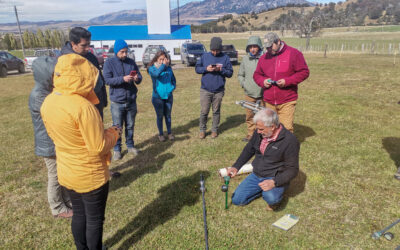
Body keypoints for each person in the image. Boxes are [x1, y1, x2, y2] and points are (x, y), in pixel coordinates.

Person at [41, 53, 121, 250]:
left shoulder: (49, 101)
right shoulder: (83, 107)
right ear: (83, 78)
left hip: (67, 170)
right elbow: (98, 146)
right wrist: (114, 133)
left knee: (79, 213)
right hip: (90, 174)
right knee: (94, 219)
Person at [226, 108, 299, 210]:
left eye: (261, 129)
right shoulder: (259, 132)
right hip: (257, 174)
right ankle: (262, 189)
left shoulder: (290, 141)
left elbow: (292, 169)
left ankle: (278, 190)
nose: (258, 132)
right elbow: (249, 149)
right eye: (257, 128)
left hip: (274, 176)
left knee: (271, 198)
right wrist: (236, 166)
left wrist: (275, 182)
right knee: (237, 200)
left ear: (272, 126)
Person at [28, 57, 72, 218]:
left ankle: (66, 200)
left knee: (62, 172)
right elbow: (56, 114)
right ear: (45, 75)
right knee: (54, 175)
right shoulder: (39, 95)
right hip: (48, 143)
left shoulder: (48, 91)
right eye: (54, 75)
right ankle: (57, 207)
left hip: (55, 140)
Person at [253, 32, 309, 133]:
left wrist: (287, 81)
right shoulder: (263, 58)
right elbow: (256, 75)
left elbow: (304, 72)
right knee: (269, 128)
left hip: (287, 100)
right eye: (266, 47)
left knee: (286, 129)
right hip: (269, 101)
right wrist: (263, 81)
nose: (268, 50)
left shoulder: (294, 54)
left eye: (271, 47)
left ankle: (287, 148)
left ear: (278, 42)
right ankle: (271, 148)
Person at [103, 39, 142, 160]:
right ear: (116, 51)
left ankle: (130, 146)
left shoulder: (131, 62)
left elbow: (139, 77)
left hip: (131, 100)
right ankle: (117, 149)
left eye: (126, 51)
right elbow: (107, 80)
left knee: (130, 125)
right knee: (117, 127)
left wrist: (136, 78)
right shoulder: (109, 63)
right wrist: (122, 79)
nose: (125, 54)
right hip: (117, 102)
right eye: (122, 52)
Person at [61, 27, 107, 119]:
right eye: (83, 45)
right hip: (79, 111)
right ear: (73, 44)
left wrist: (103, 99)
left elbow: (99, 79)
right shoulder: (63, 61)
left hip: (97, 106)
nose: (87, 48)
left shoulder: (91, 57)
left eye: (89, 44)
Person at [195, 37, 233, 139]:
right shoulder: (205, 56)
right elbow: (197, 69)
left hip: (219, 90)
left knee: (216, 111)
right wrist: (206, 69)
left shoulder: (225, 58)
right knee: (204, 111)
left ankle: (214, 130)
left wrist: (221, 70)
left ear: (220, 49)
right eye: (213, 50)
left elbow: (230, 73)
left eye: (217, 50)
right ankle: (202, 130)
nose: (215, 53)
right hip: (205, 90)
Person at [238, 36, 264, 142]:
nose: (252, 49)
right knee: (249, 115)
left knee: (263, 116)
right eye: (250, 47)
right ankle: (250, 134)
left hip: (263, 93)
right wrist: (244, 84)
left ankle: (263, 135)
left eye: (255, 46)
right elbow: (240, 74)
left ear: (259, 47)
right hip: (249, 93)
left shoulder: (265, 58)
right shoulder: (245, 59)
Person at [148, 51, 176, 142]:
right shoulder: (152, 68)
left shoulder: (169, 68)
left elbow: (173, 80)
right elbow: (156, 74)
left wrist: (172, 87)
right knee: (160, 116)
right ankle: (160, 134)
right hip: (157, 98)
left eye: (164, 59)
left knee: (168, 115)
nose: (163, 61)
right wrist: (163, 66)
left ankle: (169, 133)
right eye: (160, 59)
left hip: (168, 96)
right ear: (156, 59)